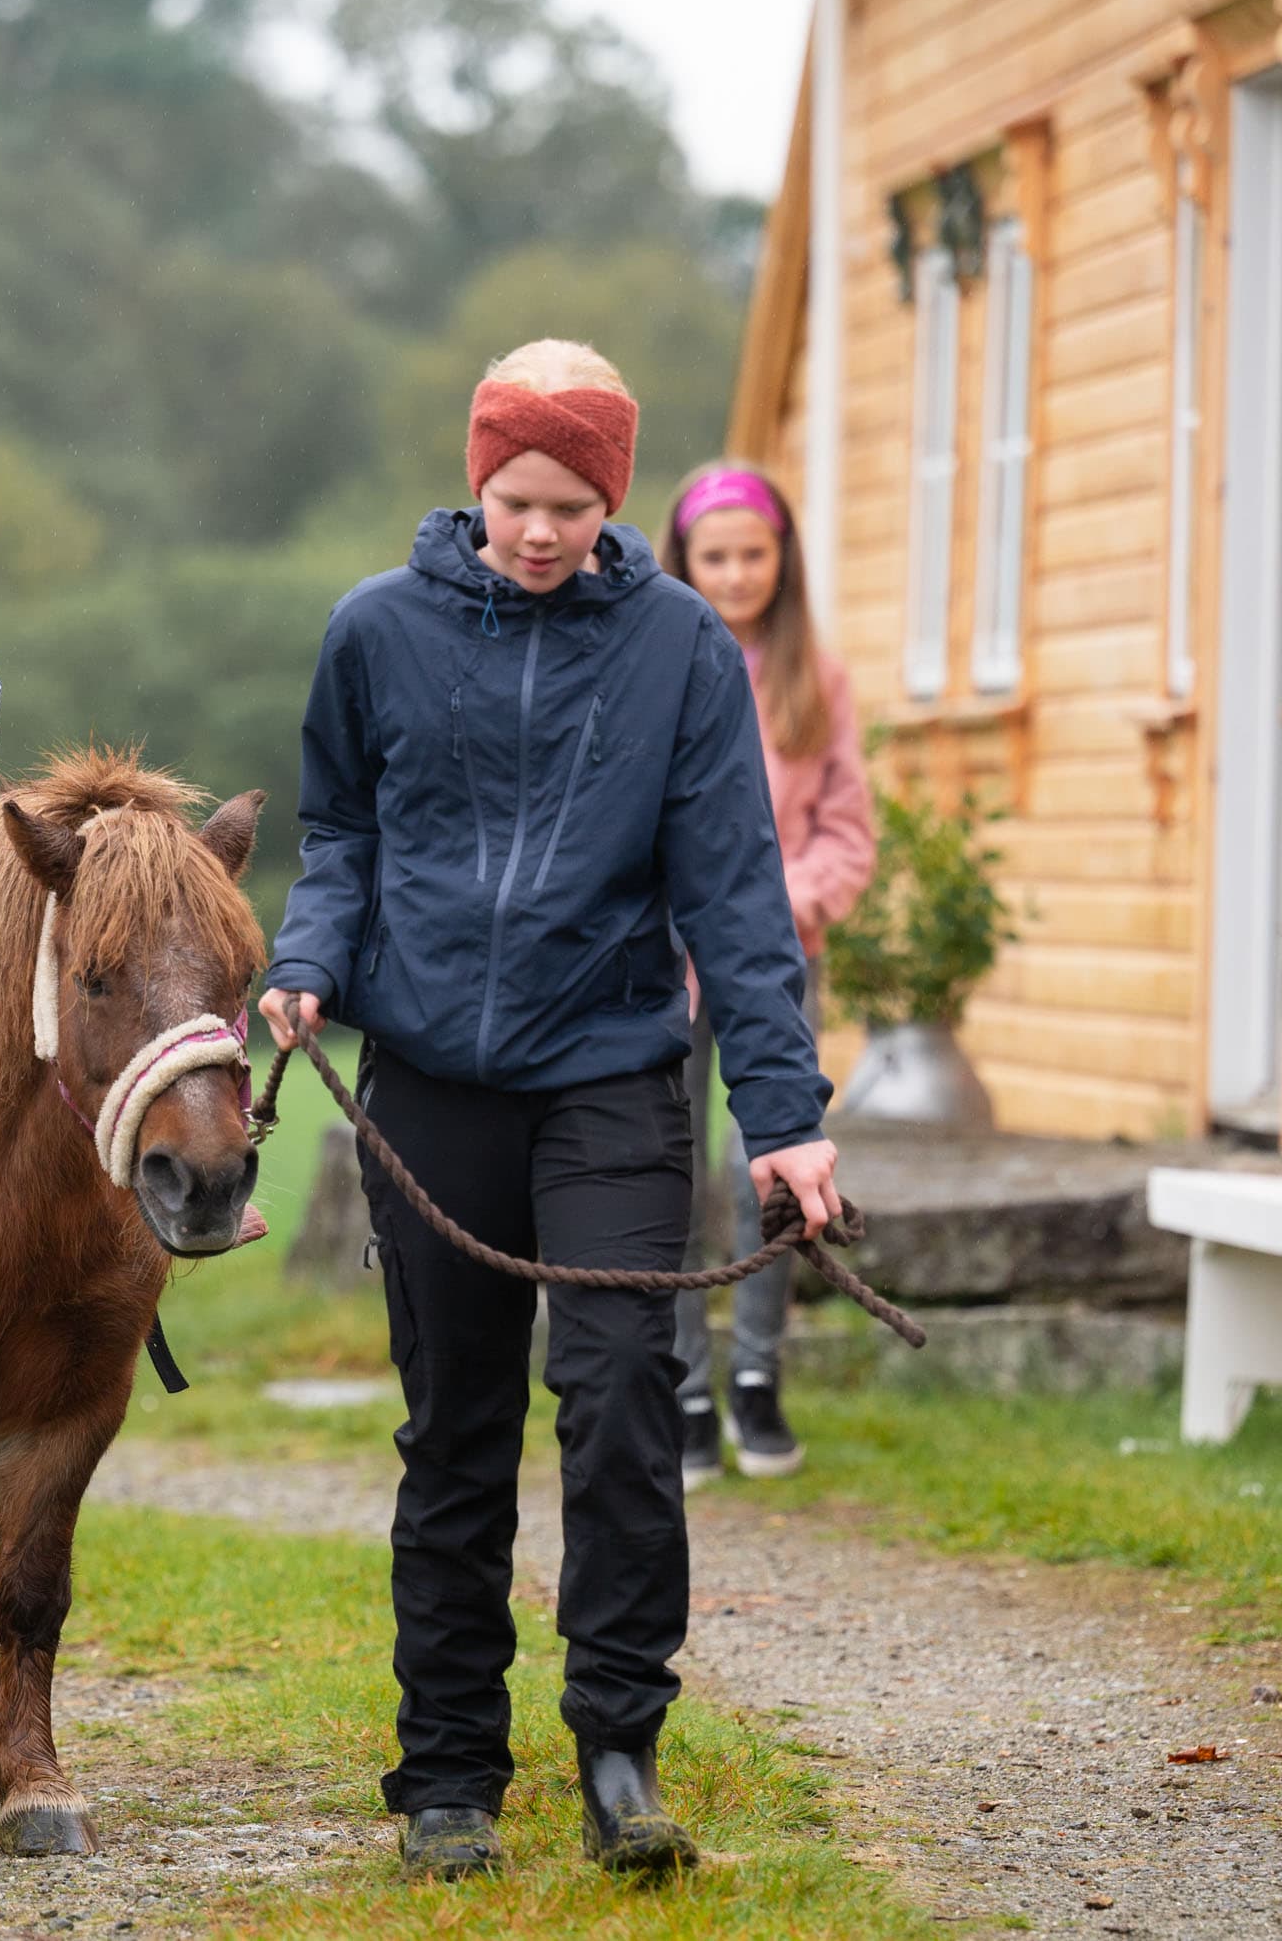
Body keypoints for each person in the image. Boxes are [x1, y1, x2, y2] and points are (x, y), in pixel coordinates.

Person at [260, 340, 839, 1882]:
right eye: (519, 497)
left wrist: (785, 1115)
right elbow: (341, 834)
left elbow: (738, 898)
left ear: (613, 499)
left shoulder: (681, 651)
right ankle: (449, 1771)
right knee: (455, 1430)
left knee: (622, 1400)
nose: (540, 531)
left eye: (574, 504)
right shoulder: (373, 632)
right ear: (476, 480)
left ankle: (619, 1751)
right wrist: (308, 964)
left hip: (616, 1079)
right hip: (430, 1082)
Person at [655, 462, 874, 1488]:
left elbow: (847, 833)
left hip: (776, 966)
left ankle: (756, 1377)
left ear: (781, 562)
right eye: (717, 557)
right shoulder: (653, 659)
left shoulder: (815, 678)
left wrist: (766, 908)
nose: (736, 574)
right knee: (667, 1179)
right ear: (683, 562)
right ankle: (684, 1388)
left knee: (771, 1179)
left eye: (754, 555)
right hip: (662, 971)